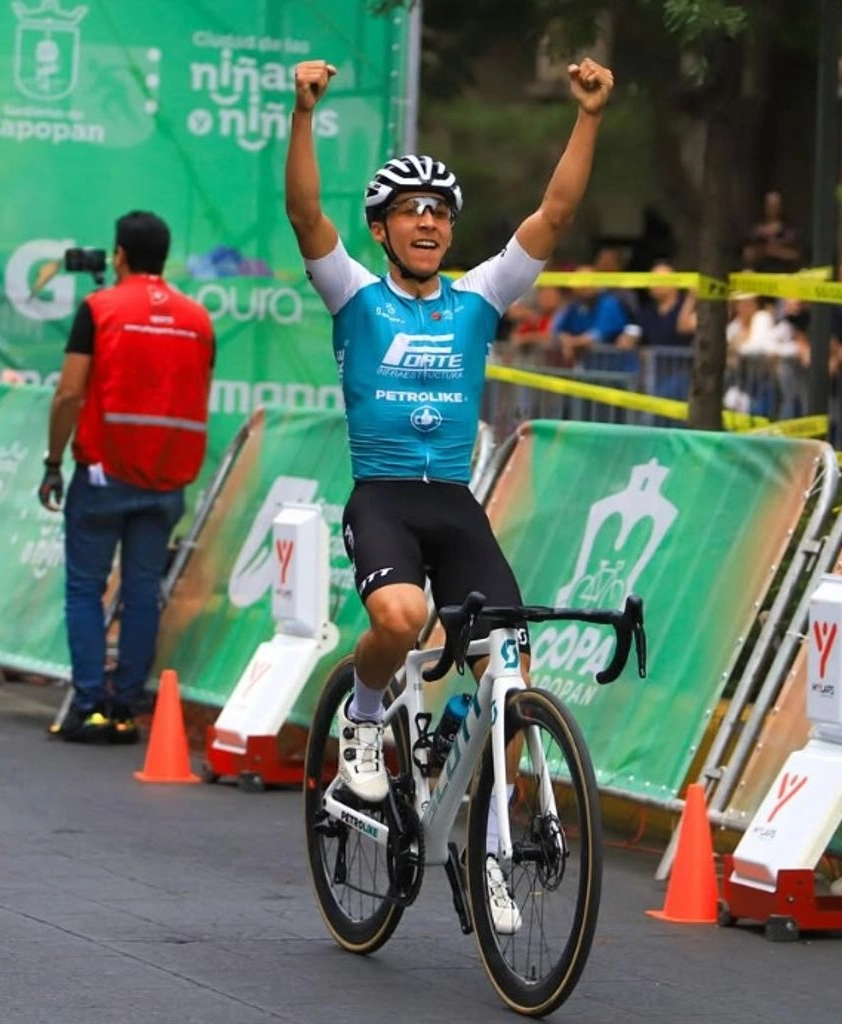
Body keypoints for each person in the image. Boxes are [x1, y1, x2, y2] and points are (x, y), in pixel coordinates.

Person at [285, 55, 613, 935]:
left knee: (511, 673)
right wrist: (303, 113)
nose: (427, 222)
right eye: (409, 213)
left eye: (438, 213)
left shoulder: (476, 299)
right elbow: (305, 215)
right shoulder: (354, 294)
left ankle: (487, 835)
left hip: (456, 505)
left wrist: (586, 116)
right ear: (383, 232)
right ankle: (361, 719)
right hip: (384, 497)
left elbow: (556, 215)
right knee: (397, 621)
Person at [38, 211, 215, 744]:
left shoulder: (99, 308)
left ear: (118, 255)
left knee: (85, 590)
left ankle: (90, 704)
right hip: (166, 477)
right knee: (142, 592)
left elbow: (70, 393)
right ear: (164, 257)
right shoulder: (198, 319)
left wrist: (53, 462)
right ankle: (123, 708)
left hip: (103, 475)